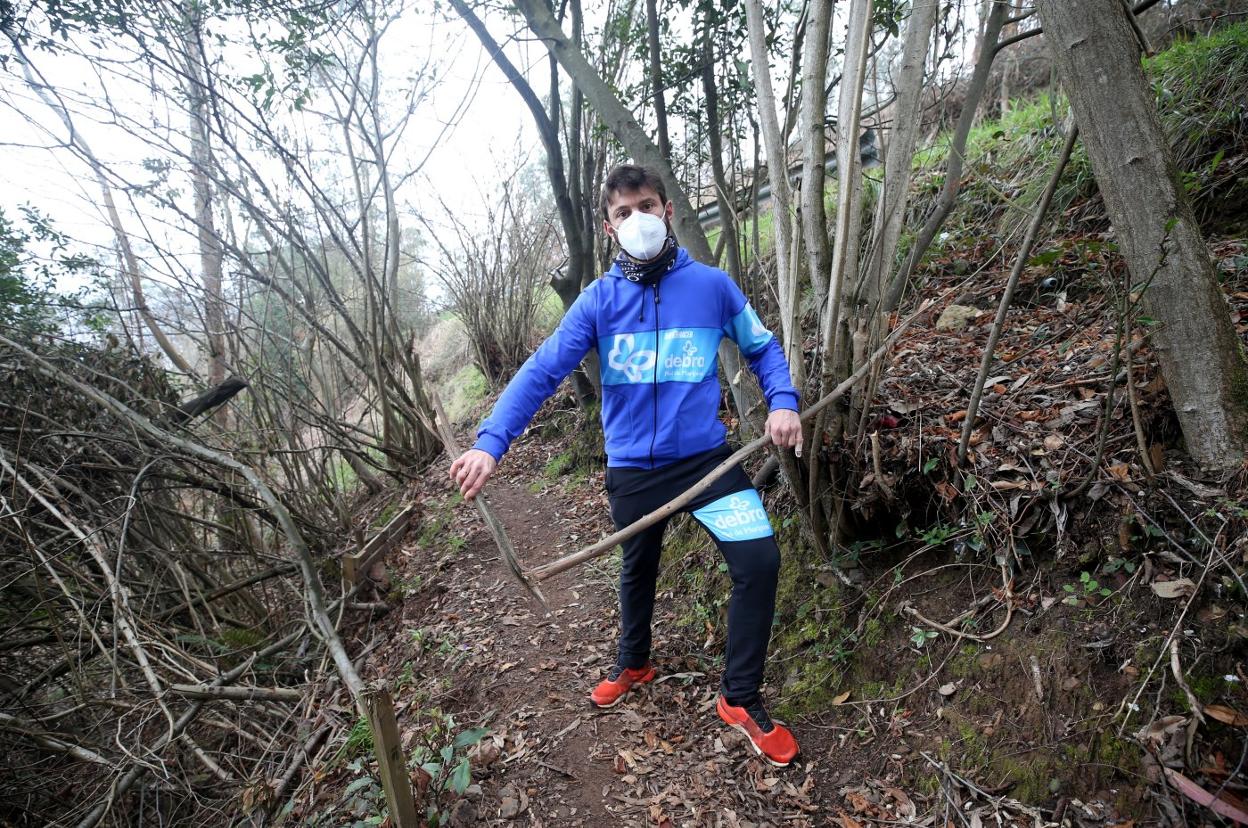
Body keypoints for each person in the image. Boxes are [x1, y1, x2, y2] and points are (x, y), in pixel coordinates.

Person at [449, 164, 803, 767]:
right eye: (622, 212)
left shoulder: (713, 287)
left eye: (646, 206)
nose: (637, 219)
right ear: (609, 228)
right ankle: (634, 662)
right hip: (633, 469)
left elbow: (763, 346)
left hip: (707, 462)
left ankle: (739, 696)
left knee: (760, 561)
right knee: (638, 568)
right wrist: (490, 442)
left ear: (667, 210)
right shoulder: (598, 301)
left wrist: (784, 402)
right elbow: (543, 370)